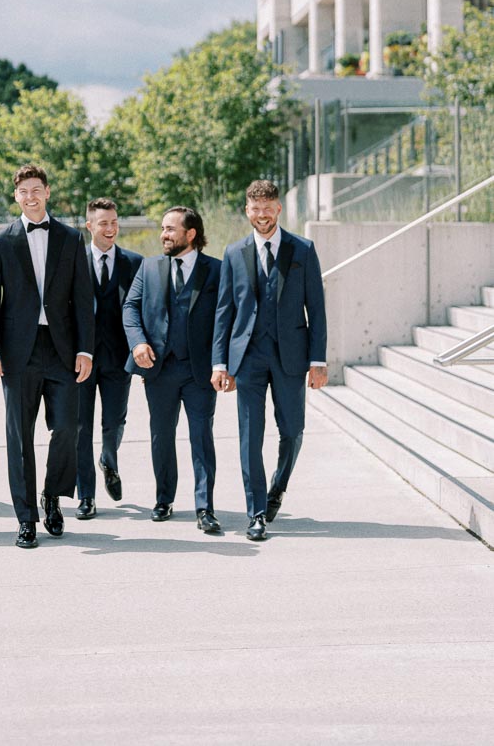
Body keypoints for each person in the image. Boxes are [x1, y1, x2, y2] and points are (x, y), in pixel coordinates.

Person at [0, 164, 95, 549]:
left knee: (68, 427)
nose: (30, 196)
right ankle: (26, 517)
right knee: (19, 437)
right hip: (17, 353)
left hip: (62, 350)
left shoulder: (71, 238)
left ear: (47, 192)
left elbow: (83, 300)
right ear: (16, 196)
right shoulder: (1, 241)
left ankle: (52, 496)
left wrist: (85, 348)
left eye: (36, 189)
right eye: (23, 191)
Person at [211, 179, 328, 541]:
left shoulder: (303, 250)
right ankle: (256, 512)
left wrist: (318, 360)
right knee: (250, 437)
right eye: (254, 209)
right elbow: (224, 312)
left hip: (291, 356)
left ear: (278, 209)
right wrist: (220, 363)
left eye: (267, 208)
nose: (261, 215)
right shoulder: (234, 253)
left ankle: (278, 486)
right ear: (247, 210)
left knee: (292, 431)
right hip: (247, 357)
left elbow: (317, 309)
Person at [123, 206, 222, 533]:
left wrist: (223, 364)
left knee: (201, 438)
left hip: (200, 372)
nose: (163, 234)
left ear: (190, 234)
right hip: (160, 369)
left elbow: (226, 320)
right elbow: (131, 308)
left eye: (170, 229)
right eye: (163, 228)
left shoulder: (216, 270)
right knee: (161, 436)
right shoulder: (148, 267)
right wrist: (137, 343)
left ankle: (204, 507)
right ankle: (164, 498)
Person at [75, 198, 143, 520]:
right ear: (89, 226)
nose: (110, 228)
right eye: (103, 223)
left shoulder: (134, 263)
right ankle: (86, 496)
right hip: (81, 360)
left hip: (118, 359)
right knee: (80, 427)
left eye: (114, 222)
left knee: (115, 421)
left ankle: (108, 458)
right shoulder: (74, 261)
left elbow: (142, 310)